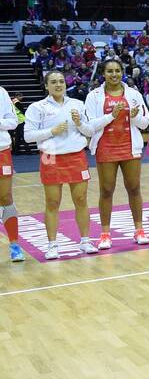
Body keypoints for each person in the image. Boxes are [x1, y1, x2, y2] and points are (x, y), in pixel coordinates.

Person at [25, 71, 97, 259]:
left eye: (61, 82)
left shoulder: (77, 105)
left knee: (81, 200)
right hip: (50, 157)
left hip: (76, 156)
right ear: (46, 85)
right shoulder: (36, 107)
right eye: (54, 82)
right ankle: (52, 245)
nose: (58, 85)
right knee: (52, 202)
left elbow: (90, 130)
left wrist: (79, 123)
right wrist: (52, 131)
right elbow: (28, 136)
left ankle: (85, 241)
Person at [84, 57, 149, 248]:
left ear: (122, 72)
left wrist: (135, 116)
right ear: (103, 74)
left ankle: (139, 230)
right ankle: (105, 234)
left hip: (130, 147)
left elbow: (145, 123)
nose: (114, 74)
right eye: (109, 71)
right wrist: (111, 116)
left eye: (117, 71)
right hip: (105, 147)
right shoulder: (93, 96)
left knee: (134, 188)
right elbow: (89, 127)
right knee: (106, 190)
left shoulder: (134, 94)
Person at [0, 84, 22, 262]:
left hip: (1, 151)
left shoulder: (1, 92)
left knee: (6, 198)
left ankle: (14, 245)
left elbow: (13, 121)